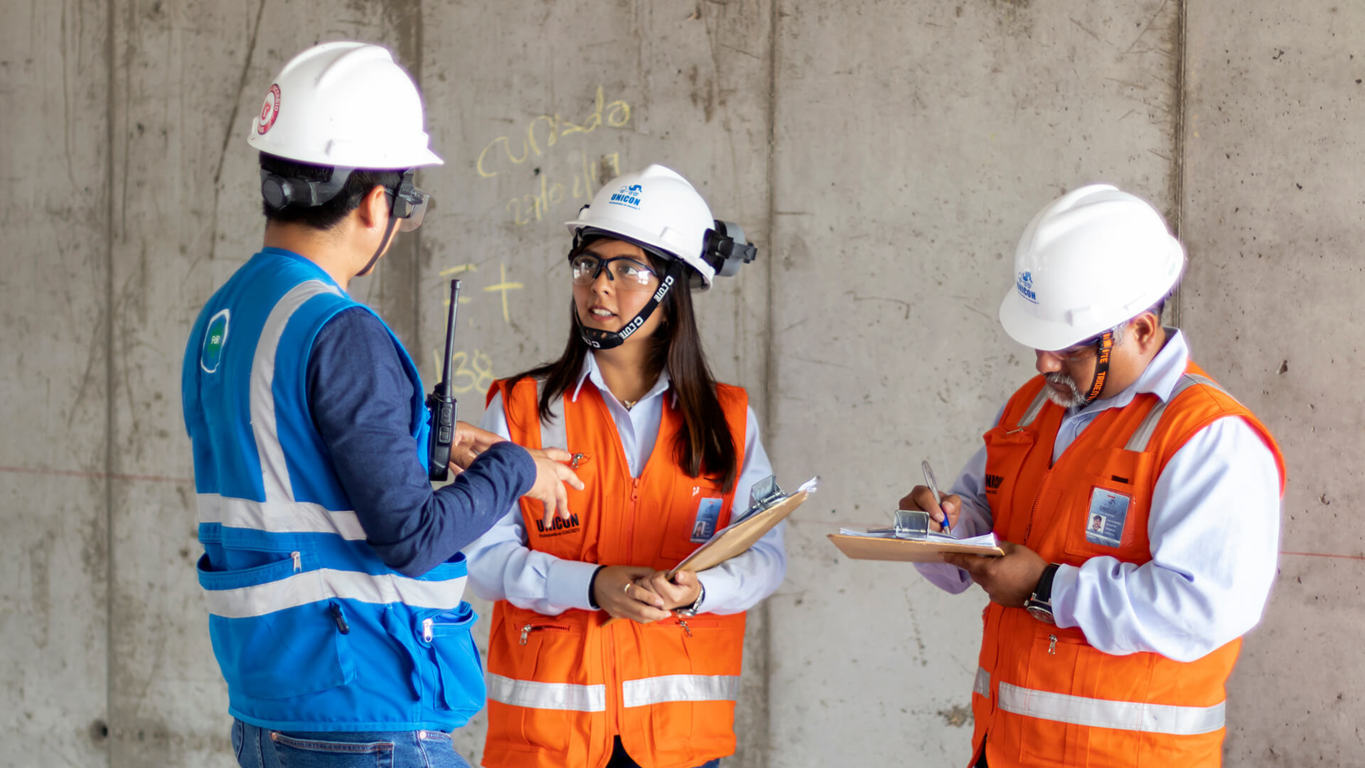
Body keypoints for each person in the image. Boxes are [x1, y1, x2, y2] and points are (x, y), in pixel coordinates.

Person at [180, 42, 581, 768]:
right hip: (365, 705)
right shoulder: (342, 331)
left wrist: (424, 434)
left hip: (273, 703)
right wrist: (517, 469)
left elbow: (293, 454)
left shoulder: (228, 316)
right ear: (376, 203)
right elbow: (412, 535)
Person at [902, 185, 1285, 768]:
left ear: (1142, 331)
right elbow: (980, 518)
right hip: (1003, 749)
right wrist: (938, 524)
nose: (1043, 364)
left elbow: (1203, 608)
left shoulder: (1207, 437)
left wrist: (1046, 587)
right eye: (1040, 344)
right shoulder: (1036, 404)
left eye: (1069, 350)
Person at [465, 164, 786, 768]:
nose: (600, 287)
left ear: (673, 290)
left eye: (628, 271)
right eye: (588, 265)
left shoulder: (728, 417)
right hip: (546, 744)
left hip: (678, 743)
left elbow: (766, 556)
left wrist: (701, 591)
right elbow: (479, 558)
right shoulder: (521, 406)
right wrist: (589, 585)